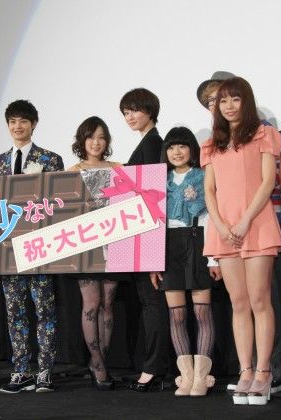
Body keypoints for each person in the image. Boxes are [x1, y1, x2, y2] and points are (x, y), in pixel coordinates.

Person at [197, 71, 281, 394]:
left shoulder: (264, 134)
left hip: (257, 224)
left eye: (235, 99)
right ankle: (245, 370)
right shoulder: (211, 144)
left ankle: (264, 372)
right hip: (224, 229)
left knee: (260, 300)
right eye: (223, 100)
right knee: (238, 303)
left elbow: (268, 181)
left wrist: (246, 220)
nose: (229, 105)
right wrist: (221, 225)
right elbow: (209, 190)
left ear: (246, 101)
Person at [0, 100, 64, 394]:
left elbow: (59, 203)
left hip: (41, 246)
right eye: (12, 121)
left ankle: (45, 371)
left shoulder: (50, 159)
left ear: (34, 124)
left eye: (23, 121)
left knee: (45, 310)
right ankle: (20, 371)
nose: (17, 126)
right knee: (15, 313)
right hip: (8, 250)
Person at [150, 126, 216, 397]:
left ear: (192, 149)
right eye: (171, 147)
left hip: (197, 242)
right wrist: (153, 260)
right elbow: (153, 221)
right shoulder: (158, 180)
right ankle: (186, 377)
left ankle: (201, 377)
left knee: (201, 313)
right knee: (176, 315)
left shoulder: (203, 176)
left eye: (182, 146)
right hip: (168, 246)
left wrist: (213, 258)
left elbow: (210, 217)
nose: (177, 152)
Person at [119, 88, 169, 391]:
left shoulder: (152, 144)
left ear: (150, 110)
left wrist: (152, 252)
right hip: (143, 236)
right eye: (126, 112)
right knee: (149, 303)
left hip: (149, 238)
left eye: (135, 110)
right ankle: (152, 367)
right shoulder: (147, 142)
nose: (130, 117)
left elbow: (152, 197)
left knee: (153, 304)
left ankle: (153, 369)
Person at [67, 116, 122, 391]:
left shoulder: (118, 169)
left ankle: (100, 361)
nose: (96, 142)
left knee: (107, 304)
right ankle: (98, 365)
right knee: (91, 304)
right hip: (85, 244)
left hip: (114, 241)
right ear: (82, 140)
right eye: (91, 137)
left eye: (101, 137)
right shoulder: (72, 172)